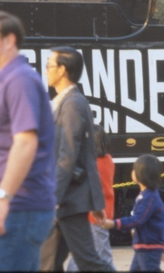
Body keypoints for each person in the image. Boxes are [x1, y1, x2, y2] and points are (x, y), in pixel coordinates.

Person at [0, 11, 56, 271]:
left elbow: (25, 143)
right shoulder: (5, 81)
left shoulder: (19, 80)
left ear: (9, 41)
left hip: (19, 208)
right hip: (18, 208)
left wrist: (2, 199)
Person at [40, 47, 113, 272]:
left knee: (88, 262)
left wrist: (53, 199)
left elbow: (68, 156)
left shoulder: (72, 104)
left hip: (68, 200)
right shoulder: (67, 101)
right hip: (67, 198)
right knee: (47, 264)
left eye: (49, 65)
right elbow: (85, 156)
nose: (46, 70)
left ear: (62, 70)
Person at [100, 154, 164, 271]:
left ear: (141, 174)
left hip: (148, 248)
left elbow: (137, 219)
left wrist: (113, 223)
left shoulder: (149, 198)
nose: (132, 172)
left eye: (134, 169)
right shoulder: (146, 195)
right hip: (143, 247)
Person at [67, 124, 116, 271]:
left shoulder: (92, 164)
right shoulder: (108, 160)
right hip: (104, 212)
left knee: (97, 253)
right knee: (96, 252)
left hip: (94, 213)